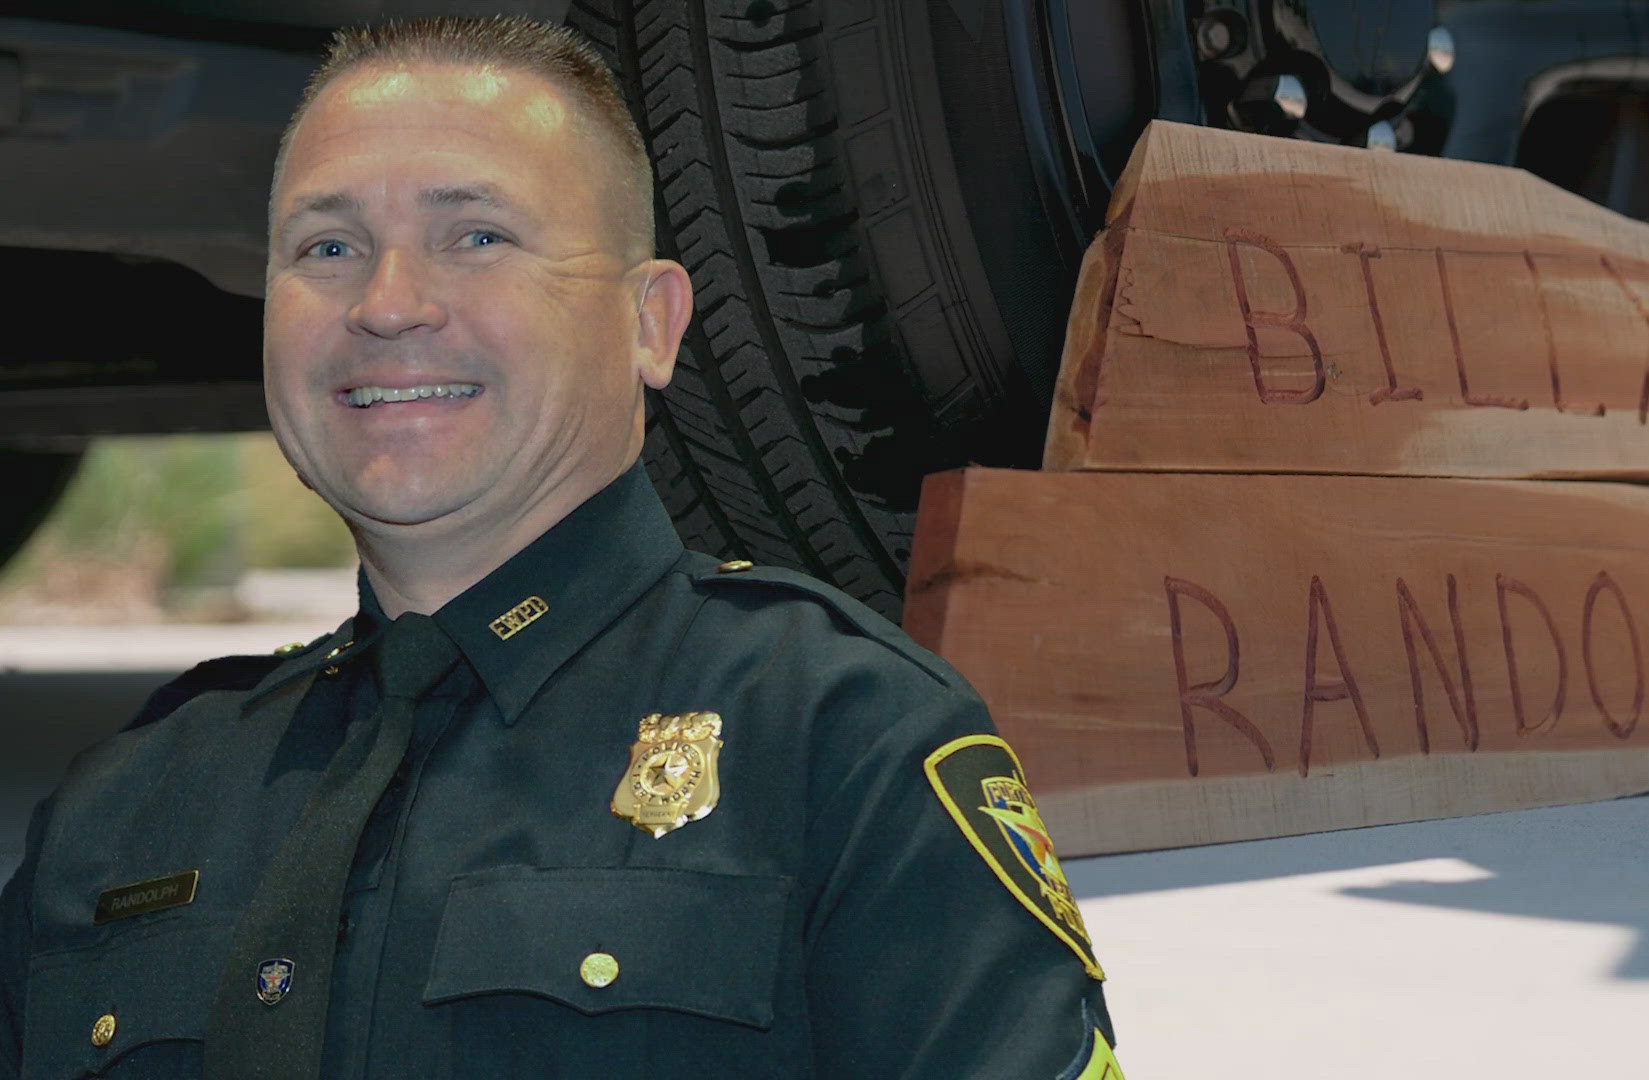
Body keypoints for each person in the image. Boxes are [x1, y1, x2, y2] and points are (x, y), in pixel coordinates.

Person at [0, 15, 1121, 1078]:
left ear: (652, 324)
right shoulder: (129, 799)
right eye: (327, 244)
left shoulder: (845, 746)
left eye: (477, 234)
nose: (388, 304)